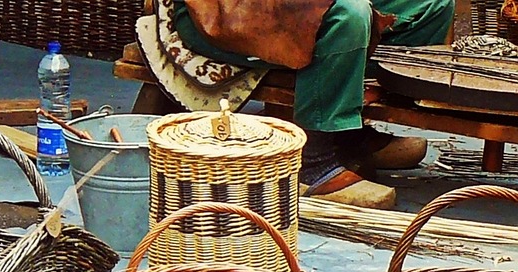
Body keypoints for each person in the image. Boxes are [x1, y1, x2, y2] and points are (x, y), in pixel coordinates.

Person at [170, 0, 453, 208]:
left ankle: (346, 135)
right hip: (227, 11)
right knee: (348, 15)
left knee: (432, 6)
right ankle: (312, 164)